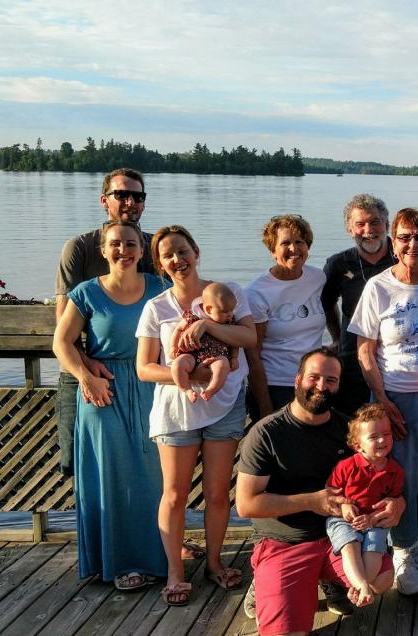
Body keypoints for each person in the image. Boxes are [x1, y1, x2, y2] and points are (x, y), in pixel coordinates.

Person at [235, 347, 405, 634]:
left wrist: (397, 504)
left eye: (331, 380)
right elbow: (246, 504)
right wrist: (311, 501)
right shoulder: (266, 433)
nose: (321, 386)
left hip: (340, 533)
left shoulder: (349, 430)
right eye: (314, 378)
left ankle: (326, 577)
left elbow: (383, 475)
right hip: (286, 541)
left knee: (382, 580)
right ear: (297, 379)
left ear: (339, 385)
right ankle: (266, 580)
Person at [136, 225, 257, 606]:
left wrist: (208, 324)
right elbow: (145, 369)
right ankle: (175, 571)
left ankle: (215, 563)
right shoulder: (157, 307)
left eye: (183, 250)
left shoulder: (227, 293)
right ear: (159, 263)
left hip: (225, 406)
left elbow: (250, 339)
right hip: (177, 410)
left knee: (219, 493)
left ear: (196, 251)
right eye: (168, 254)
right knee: (174, 494)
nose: (178, 259)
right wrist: (192, 376)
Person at [52, 220, 166, 589]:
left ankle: (156, 559)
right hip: (104, 392)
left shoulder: (160, 288)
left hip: (150, 388)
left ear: (142, 250)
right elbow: (62, 343)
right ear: (103, 250)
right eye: (115, 244)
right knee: (111, 478)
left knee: (153, 478)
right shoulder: (86, 292)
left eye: (131, 244)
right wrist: (86, 375)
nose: (123, 250)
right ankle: (116, 563)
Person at [349, 207, 418, 595]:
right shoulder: (378, 287)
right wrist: (382, 399)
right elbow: (364, 350)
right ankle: (403, 554)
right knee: (402, 476)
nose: (414, 244)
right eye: (406, 237)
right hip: (396, 393)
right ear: (394, 242)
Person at [53, 168, 154, 477]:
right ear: (104, 200)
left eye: (137, 196)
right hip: (82, 368)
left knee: (145, 462)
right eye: (121, 194)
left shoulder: (152, 246)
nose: (130, 202)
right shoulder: (80, 248)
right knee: (80, 460)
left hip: (141, 373)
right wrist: (85, 368)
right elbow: (63, 323)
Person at [321, 194, 397, 416]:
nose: (368, 230)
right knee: (355, 420)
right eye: (360, 224)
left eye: (374, 222)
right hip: (353, 358)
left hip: (394, 358)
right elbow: (326, 302)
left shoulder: (403, 255)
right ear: (349, 229)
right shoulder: (338, 264)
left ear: (387, 224)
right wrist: (336, 337)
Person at [246, 215, 327, 420]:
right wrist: (265, 407)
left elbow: (328, 308)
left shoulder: (317, 278)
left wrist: (337, 341)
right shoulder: (257, 292)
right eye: (285, 243)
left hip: (315, 382)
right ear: (272, 251)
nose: (294, 248)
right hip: (277, 384)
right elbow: (252, 354)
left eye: (299, 242)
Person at [325, 403, 404, 607]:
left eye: (387, 434)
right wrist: (343, 506)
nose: (382, 440)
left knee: (374, 550)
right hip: (343, 520)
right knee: (349, 546)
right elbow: (330, 494)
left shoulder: (395, 471)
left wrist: (373, 519)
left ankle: (361, 587)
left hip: (373, 522)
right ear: (358, 445)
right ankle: (362, 586)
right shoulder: (346, 467)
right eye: (373, 437)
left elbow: (392, 502)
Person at [171, 281, 240, 403]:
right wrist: (173, 348)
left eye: (232, 310)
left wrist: (234, 358)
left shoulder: (229, 322)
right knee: (177, 365)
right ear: (208, 309)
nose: (230, 315)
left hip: (218, 356)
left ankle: (211, 390)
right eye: (225, 312)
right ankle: (186, 389)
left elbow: (235, 342)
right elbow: (178, 329)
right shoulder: (193, 316)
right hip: (192, 354)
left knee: (223, 366)